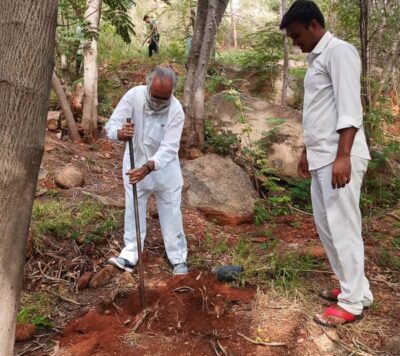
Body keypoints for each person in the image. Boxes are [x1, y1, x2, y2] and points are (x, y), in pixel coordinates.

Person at [280, 0, 373, 326]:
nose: (295, 42)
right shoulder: (318, 58)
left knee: (343, 228)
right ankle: (357, 290)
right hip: (323, 157)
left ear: (314, 26)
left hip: (340, 157)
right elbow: (321, 110)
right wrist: (308, 149)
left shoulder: (340, 52)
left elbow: (349, 108)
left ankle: (351, 304)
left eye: (296, 35)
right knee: (328, 228)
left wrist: (343, 156)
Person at [104, 66, 188, 276]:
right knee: (134, 209)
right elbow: (111, 125)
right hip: (134, 166)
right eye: (156, 96)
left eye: (164, 98)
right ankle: (130, 254)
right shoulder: (134, 96)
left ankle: (178, 259)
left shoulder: (176, 110)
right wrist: (120, 133)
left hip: (164, 172)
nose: (159, 102)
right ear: (148, 86)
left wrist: (148, 167)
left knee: (171, 214)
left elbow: (169, 147)